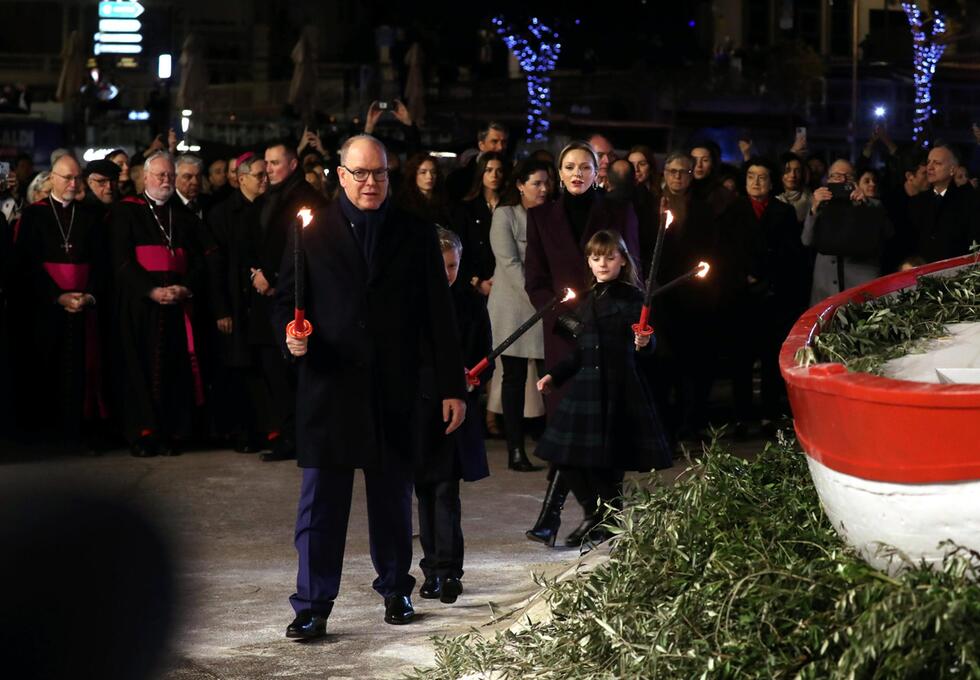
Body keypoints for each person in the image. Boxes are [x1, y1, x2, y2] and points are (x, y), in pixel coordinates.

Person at [273, 134, 465, 639]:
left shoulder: (416, 232)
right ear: (340, 175)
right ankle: (313, 604)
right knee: (320, 506)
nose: (370, 183)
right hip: (329, 388)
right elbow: (286, 301)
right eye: (359, 173)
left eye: (378, 173)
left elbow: (438, 319)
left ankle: (397, 587)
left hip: (392, 388)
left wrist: (451, 387)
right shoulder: (309, 232)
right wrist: (291, 337)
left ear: (389, 175)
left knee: (392, 498)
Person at [536, 230, 671, 547]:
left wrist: (644, 341)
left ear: (622, 260)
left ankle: (603, 523)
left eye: (610, 257)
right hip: (587, 386)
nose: (603, 263)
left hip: (617, 387)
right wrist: (554, 375)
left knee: (605, 465)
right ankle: (595, 518)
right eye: (596, 258)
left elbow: (648, 343)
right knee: (564, 455)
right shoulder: (588, 298)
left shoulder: (634, 298)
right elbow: (582, 352)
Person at [109, 151, 208, 456]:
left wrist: (185, 288)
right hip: (140, 307)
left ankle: (169, 432)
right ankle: (143, 432)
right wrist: (150, 291)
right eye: (160, 175)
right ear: (145, 178)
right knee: (139, 369)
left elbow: (203, 258)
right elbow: (121, 260)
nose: (166, 180)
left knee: (172, 369)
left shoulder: (183, 216)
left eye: (170, 175)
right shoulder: (127, 211)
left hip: (177, 305)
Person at [414, 227, 491, 605]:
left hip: (455, 408)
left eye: (452, 266)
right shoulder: (413, 301)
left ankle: (447, 570)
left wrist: (474, 376)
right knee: (424, 488)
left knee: (445, 490)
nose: (446, 273)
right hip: (420, 406)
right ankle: (431, 568)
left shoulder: (469, 303)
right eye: (439, 265)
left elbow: (485, 353)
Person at [13, 154, 107, 448]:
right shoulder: (34, 215)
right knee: (48, 368)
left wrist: (88, 295)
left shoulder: (90, 215)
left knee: (82, 370)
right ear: (52, 178)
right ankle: (48, 433)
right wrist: (57, 296)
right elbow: (25, 266)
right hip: (47, 309)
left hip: (84, 306)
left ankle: (79, 430)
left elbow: (101, 263)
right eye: (67, 177)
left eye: (77, 178)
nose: (73, 183)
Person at [251, 141, 326, 462]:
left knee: (292, 374)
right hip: (269, 295)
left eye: (275, 162)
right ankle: (288, 435)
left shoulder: (307, 201)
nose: (268, 168)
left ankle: (299, 438)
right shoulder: (271, 197)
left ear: (293, 164)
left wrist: (271, 275)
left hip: (291, 294)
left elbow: (303, 248)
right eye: (266, 162)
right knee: (275, 372)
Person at [488, 159, 551, 476]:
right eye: (537, 183)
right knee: (512, 378)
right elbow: (509, 263)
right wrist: (540, 297)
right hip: (514, 306)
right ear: (520, 185)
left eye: (546, 183)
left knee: (550, 376)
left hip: (547, 306)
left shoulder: (551, 215)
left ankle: (553, 444)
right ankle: (515, 449)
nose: (543, 188)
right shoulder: (505, 215)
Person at [736, 158, 809, 434]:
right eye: (751, 176)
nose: (756, 182)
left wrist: (765, 277)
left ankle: (768, 414)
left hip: (772, 292)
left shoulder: (783, 211)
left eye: (762, 177)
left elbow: (790, 254)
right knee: (742, 358)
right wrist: (745, 275)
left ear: (771, 181)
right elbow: (728, 250)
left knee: (770, 356)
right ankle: (742, 415)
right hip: (741, 293)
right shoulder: (734, 209)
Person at [205, 152, 270, 452]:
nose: (264, 180)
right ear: (241, 178)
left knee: (264, 370)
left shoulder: (269, 208)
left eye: (266, 174)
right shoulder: (220, 214)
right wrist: (221, 309)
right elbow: (215, 265)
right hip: (235, 304)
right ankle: (244, 433)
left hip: (263, 305)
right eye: (259, 175)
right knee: (240, 371)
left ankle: (269, 430)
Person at [802, 158, 893, 305]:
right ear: (827, 180)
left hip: (861, 287)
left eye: (848, 177)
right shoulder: (819, 204)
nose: (842, 180)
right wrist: (814, 209)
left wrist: (864, 207)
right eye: (836, 176)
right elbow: (806, 240)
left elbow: (886, 235)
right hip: (825, 287)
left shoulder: (873, 205)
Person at [907, 143, 980, 264]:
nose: (929, 167)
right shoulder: (917, 202)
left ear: (953, 169)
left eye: (937, 163)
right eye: (928, 162)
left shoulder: (968, 202)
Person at [454, 151, 505, 297]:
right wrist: (476, 281)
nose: (494, 175)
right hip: (476, 283)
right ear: (481, 173)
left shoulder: (508, 206)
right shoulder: (466, 208)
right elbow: (461, 248)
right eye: (489, 170)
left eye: (499, 170)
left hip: (503, 278)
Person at [446, 121, 509, 200]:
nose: (500, 147)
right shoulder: (458, 179)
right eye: (494, 141)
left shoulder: (511, 175)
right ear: (481, 145)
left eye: (504, 142)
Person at [397, 152, 453, 227]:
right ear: (414, 175)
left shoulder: (445, 200)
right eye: (423, 172)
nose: (429, 176)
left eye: (433, 172)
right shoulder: (404, 204)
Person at [775, 152, 812, 223]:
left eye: (797, 171)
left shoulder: (811, 199)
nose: (792, 175)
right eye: (787, 170)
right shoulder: (771, 198)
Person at [174, 154, 208, 219]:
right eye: (188, 177)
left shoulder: (210, 204)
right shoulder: (168, 206)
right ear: (175, 178)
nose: (195, 182)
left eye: (198, 176)